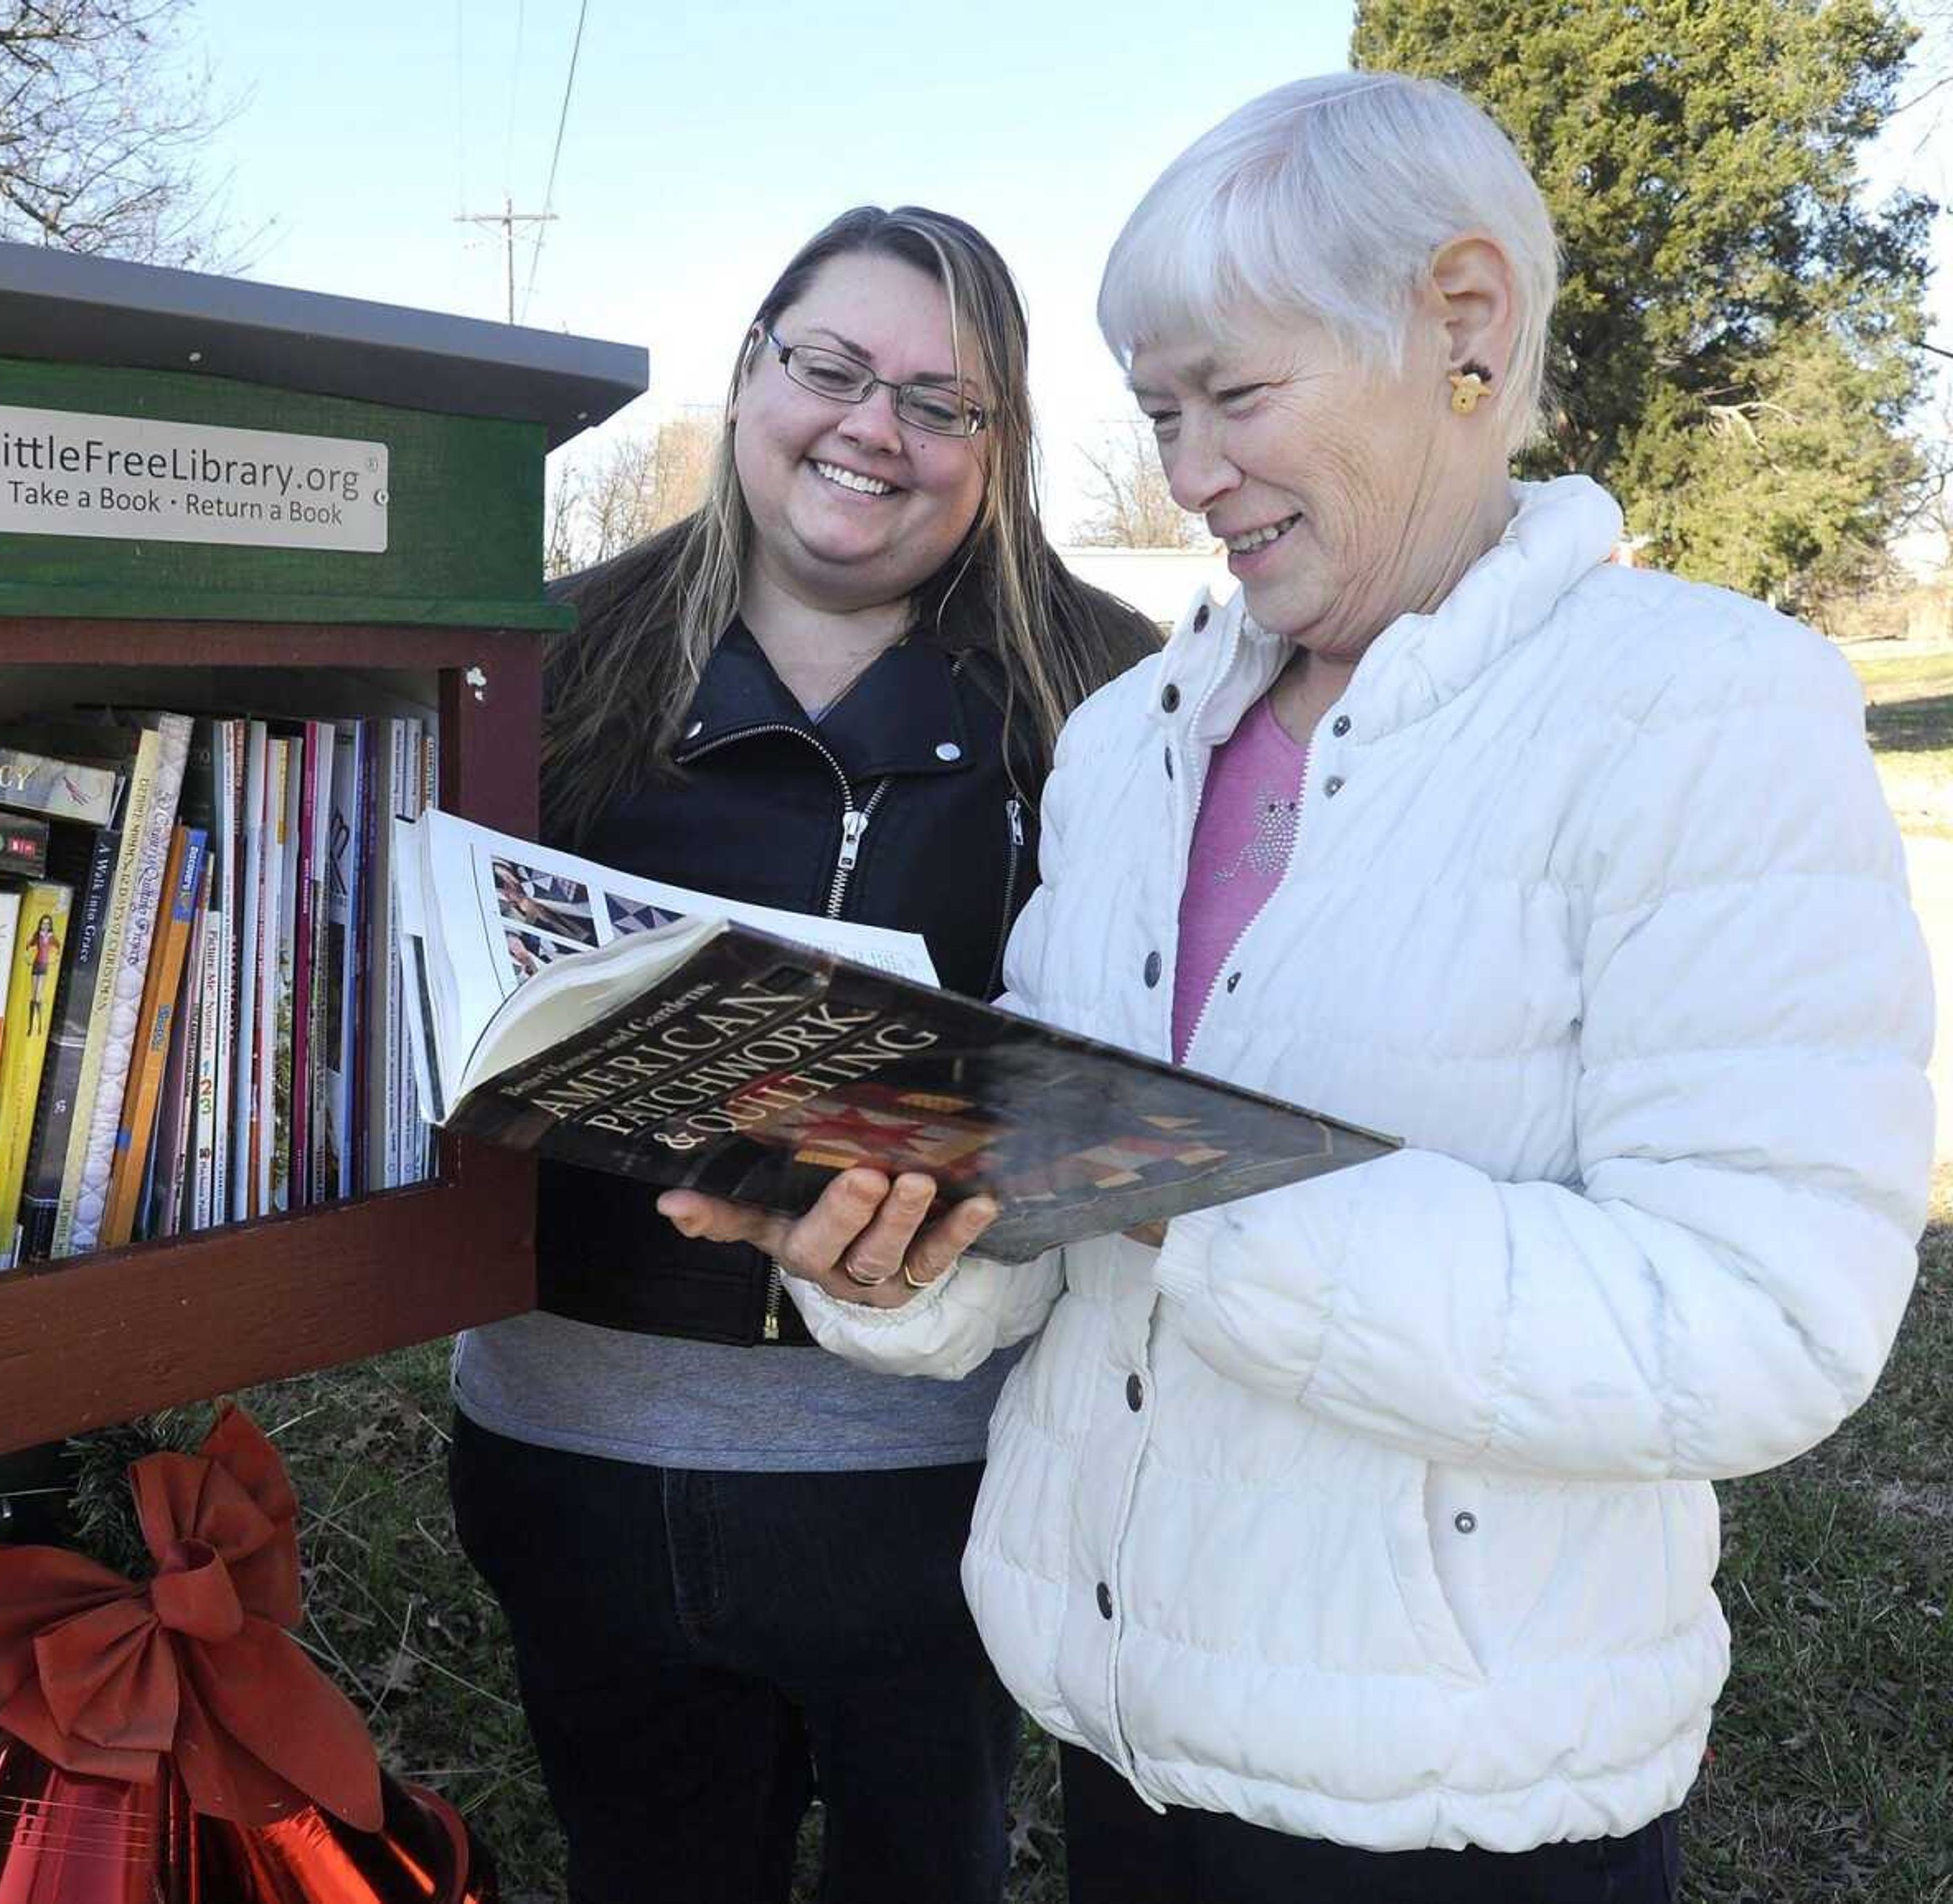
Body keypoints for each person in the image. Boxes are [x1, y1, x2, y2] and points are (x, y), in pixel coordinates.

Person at [664, 76, 1933, 1903]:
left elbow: (1765, 1320)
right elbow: (1051, 1247)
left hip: (1457, 1811)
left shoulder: (1704, 712)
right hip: (1122, 1754)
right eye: (1160, 414)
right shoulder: (1127, 744)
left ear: (1467, 329)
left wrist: (1199, 1193)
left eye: (1236, 398)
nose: (1184, 476)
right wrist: (885, 1260)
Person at [447, 206, 1158, 1904]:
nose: (872, 427)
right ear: (751, 368)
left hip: (936, 1474)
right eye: (828, 368)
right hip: (578, 1453)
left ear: (1003, 444)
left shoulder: (1119, 695)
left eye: (940, 400)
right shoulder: (536, 654)